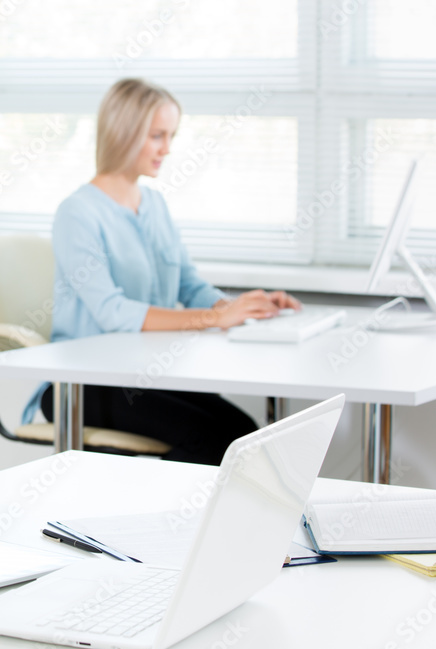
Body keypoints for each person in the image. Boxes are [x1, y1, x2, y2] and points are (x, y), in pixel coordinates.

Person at [24, 78, 300, 465]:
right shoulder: (78, 213)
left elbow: (187, 283)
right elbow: (112, 312)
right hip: (90, 383)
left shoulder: (154, 204)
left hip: (148, 374)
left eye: (170, 136)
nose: (167, 149)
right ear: (124, 133)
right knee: (216, 442)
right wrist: (216, 318)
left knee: (247, 435)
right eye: (157, 136)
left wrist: (244, 307)